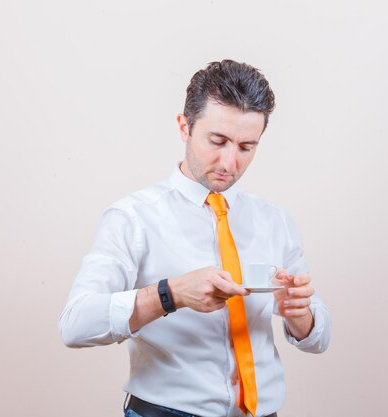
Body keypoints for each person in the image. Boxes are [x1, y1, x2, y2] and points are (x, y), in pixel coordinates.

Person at [59, 59, 331, 417]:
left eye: (247, 147)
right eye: (217, 140)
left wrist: (300, 315)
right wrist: (169, 294)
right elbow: (76, 324)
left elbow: (318, 337)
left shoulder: (274, 220)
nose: (229, 162)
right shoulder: (132, 218)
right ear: (184, 126)